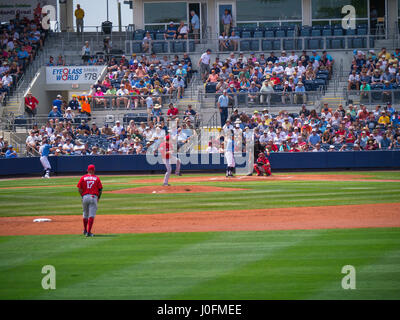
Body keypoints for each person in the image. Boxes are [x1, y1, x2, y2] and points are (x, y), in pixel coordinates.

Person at [77, 164, 103, 237]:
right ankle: (89, 232)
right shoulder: (96, 178)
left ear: (87, 170)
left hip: (85, 197)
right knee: (91, 215)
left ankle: (85, 230)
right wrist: (98, 198)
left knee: (85, 214)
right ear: (94, 170)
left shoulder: (83, 178)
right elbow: (100, 189)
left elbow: (79, 189)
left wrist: (83, 196)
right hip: (93, 197)